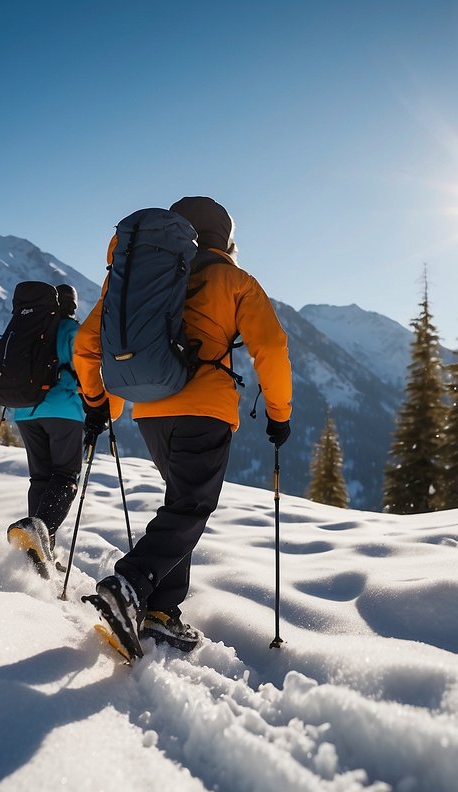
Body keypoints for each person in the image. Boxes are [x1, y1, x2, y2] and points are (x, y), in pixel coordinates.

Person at [74, 196, 293, 656]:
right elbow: (270, 347)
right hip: (205, 410)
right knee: (191, 507)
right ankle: (130, 584)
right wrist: (279, 414)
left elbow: (86, 342)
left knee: (181, 506)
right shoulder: (234, 280)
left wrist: (99, 402)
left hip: (151, 412)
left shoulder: (138, 277)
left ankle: (160, 613)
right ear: (225, 237)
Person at [7, 283, 84, 576]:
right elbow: (85, 370)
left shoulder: (25, 327)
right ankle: (39, 532)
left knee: (40, 478)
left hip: (25, 411)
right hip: (62, 410)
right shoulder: (69, 330)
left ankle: (38, 549)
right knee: (65, 476)